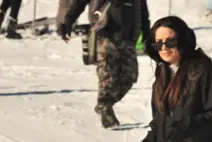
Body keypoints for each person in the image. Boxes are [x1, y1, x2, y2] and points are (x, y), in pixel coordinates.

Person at [59, 0, 150, 128]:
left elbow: (142, 9)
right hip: (105, 33)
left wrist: (146, 31)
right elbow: (79, 2)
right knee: (108, 74)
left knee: (129, 77)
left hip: (129, 37)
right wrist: (68, 21)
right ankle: (105, 110)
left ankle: (104, 105)